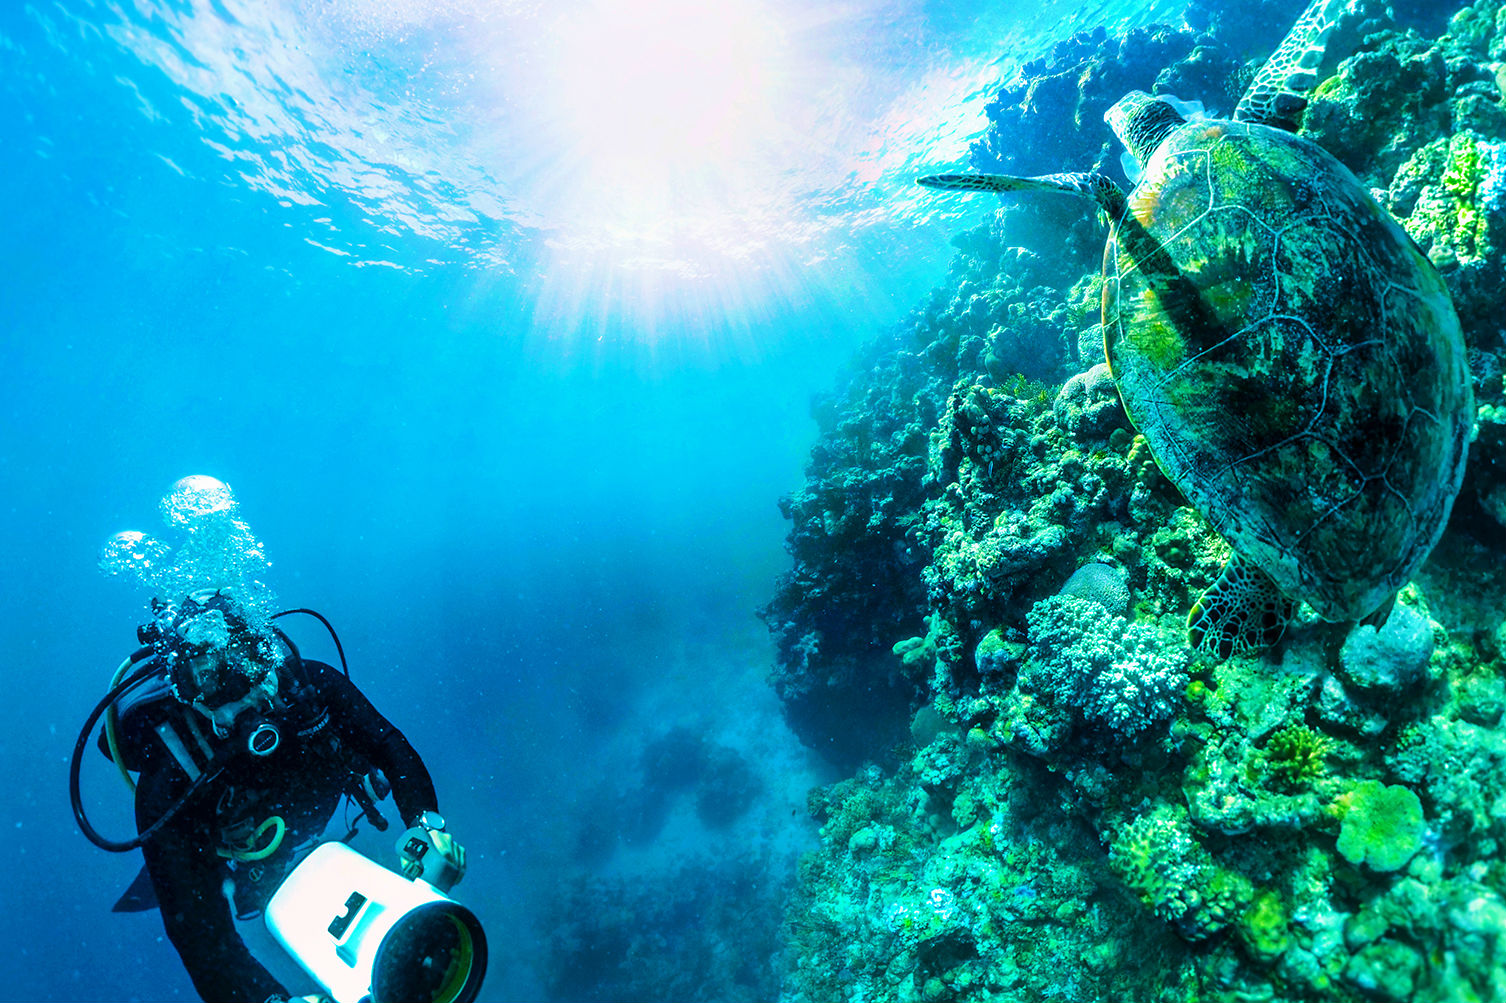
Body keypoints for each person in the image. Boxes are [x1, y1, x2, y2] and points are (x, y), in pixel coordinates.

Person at [95, 588, 466, 1003]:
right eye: (208, 679)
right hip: (247, 862)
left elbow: (389, 746)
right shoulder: (171, 783)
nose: (235, 692)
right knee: (195, 898)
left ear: (263, 649)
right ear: (185, 691)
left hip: (307, 821)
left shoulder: (312, 689)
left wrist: (425, 824)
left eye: (243, 664)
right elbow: (200, 939)